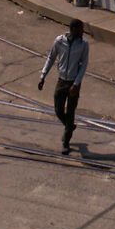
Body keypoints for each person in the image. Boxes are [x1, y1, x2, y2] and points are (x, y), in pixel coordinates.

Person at [38, 17, 90, 153]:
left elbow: (84, 65)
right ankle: (69, 125)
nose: (83, 32)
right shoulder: (60, 41)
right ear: (73, 30)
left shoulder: (84, 45)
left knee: (71, 111)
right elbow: (51, 57)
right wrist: (43, 76)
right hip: (61, 80)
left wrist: (76, 84)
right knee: (58, 109)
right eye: (80, 29)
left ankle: (66, 141)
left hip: (74, 82)